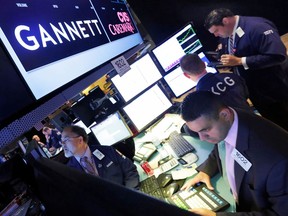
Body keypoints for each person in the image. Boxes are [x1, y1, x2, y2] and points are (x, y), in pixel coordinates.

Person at [180, 91, 288, 216]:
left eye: (205, 130)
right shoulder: (227, 119)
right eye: (197, 132)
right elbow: (221, 147)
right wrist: (206, 170)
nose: (202, 138)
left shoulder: (277, 163)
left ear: (225, 115)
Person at [204, 8, 288, 131]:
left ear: (226, 21)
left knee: (283, 122)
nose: (215, 35)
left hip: (274, 91)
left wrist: (240, 61)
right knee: (276, 127)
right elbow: (235, 51)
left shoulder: (257, 27)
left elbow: (278, 55)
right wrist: (228, 62)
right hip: (257, 91)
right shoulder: (227, 33)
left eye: (216, 30)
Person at [61, 125, 140, 189]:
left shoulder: (107, 150)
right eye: (61, 141)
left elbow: (130, 170)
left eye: (66, 140)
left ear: (80, 140)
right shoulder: (69, 172)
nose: (63, 145)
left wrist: (130, 196)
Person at [180, 53, 252, 112]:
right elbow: (246, 95)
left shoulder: (199, 99)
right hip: (253, 119)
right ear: (204, 64)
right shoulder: (232, 76)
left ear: (186, 75)